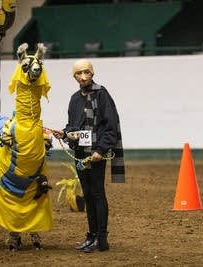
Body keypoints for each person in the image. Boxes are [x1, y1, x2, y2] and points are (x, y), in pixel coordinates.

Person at [52, 59, 125, 253]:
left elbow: (111, 126)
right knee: (88, 196)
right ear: (74, 76)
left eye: (86, 72)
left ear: (92, 73)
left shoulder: (102, 95)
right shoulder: (74, 99)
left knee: (98, 194)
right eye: (79, 73)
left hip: (95, 154)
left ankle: (101, 239)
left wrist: (100, 150)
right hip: (80, 154)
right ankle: (91, 236)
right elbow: (73, 125)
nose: (83, 76)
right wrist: (65, 133)